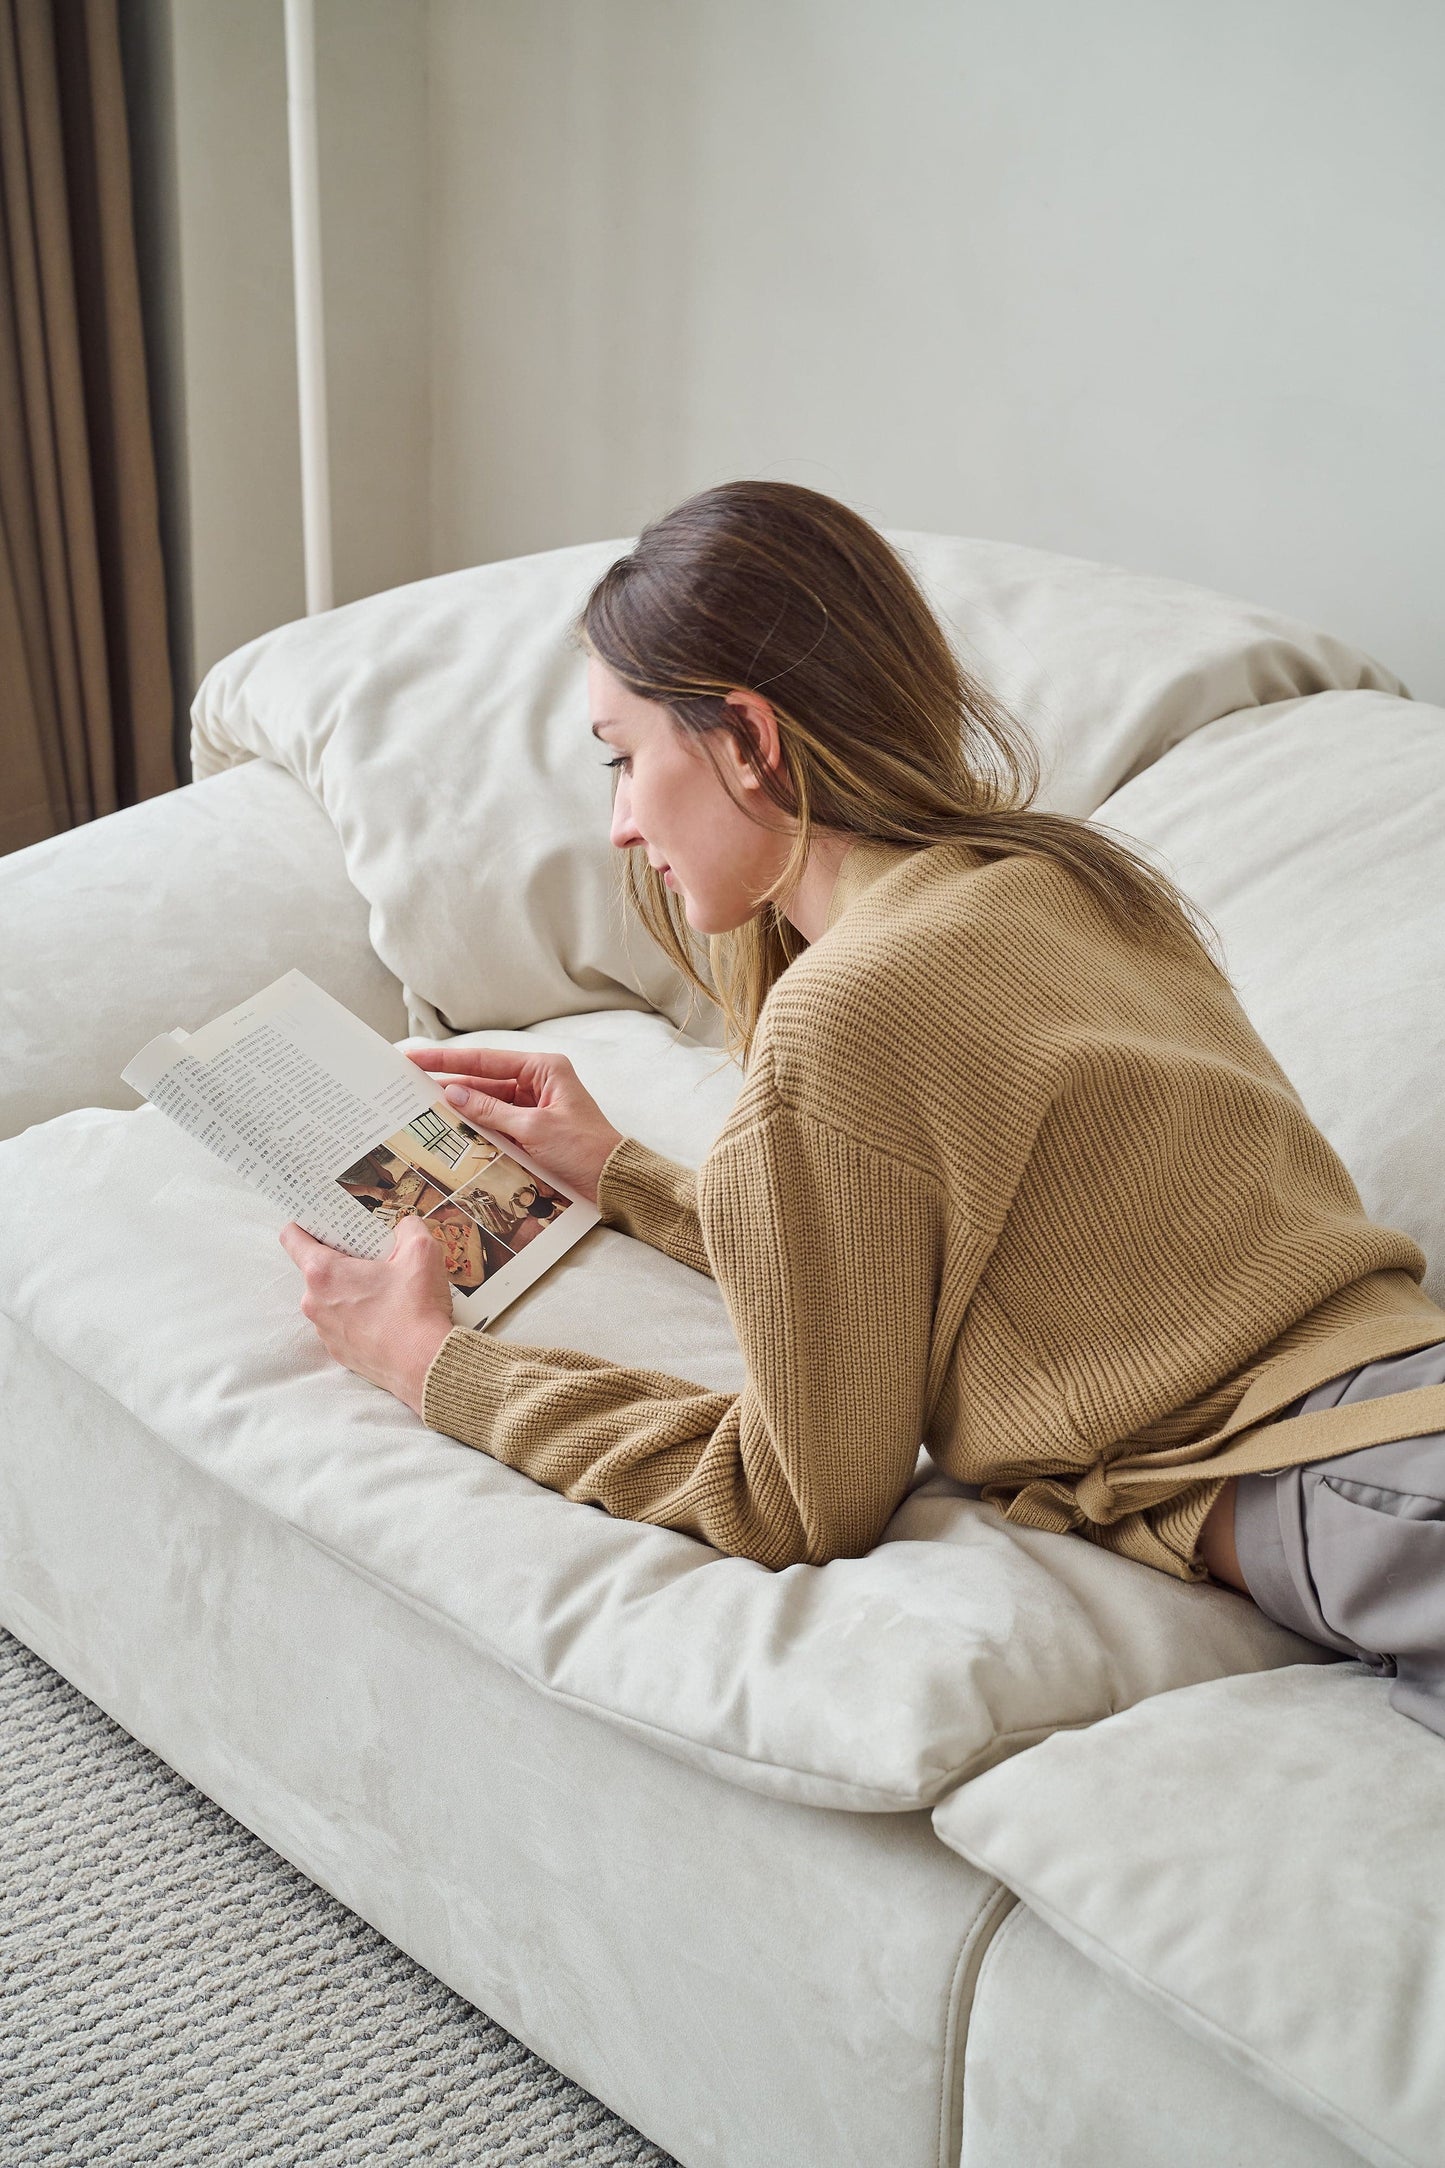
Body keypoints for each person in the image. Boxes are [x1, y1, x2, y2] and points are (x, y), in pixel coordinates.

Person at [281, 481, 1445, 1736]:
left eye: (623, 757)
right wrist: (618, 1170)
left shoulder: (846, 1011)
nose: (619, 822)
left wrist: (429, 1364)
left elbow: (785, 1498)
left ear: (745, 736)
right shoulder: (1062, 878)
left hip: (1363, 1481)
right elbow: (913, 1253)